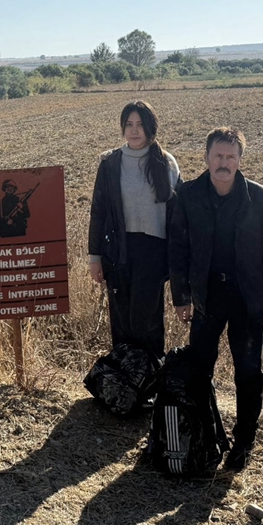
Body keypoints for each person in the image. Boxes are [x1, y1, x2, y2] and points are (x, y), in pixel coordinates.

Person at [168, 126, 263, 470]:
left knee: (249, 372)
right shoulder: (188, 196)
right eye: (218, 155)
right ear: (206, 158)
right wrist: (181, 296)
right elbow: (177, 250)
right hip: (206, 298)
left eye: (230, 156)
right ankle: (204, 434)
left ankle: (244, 441)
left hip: (248, 300)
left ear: (240, 160)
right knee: (200, 368)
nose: (224, 162)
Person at [88, 100, 181, 360]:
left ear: (151, 127)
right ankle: (124, 385)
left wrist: (177, 262)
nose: (134, 130)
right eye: (129, 124)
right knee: (121, 321)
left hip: (153, 252)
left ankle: (149, 384)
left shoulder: (166, 162)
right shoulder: (109, 164)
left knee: (147, 321)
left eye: (140, 124)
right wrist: (95, 257)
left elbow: (177, 217)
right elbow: (98, 212)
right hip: (118, 250)